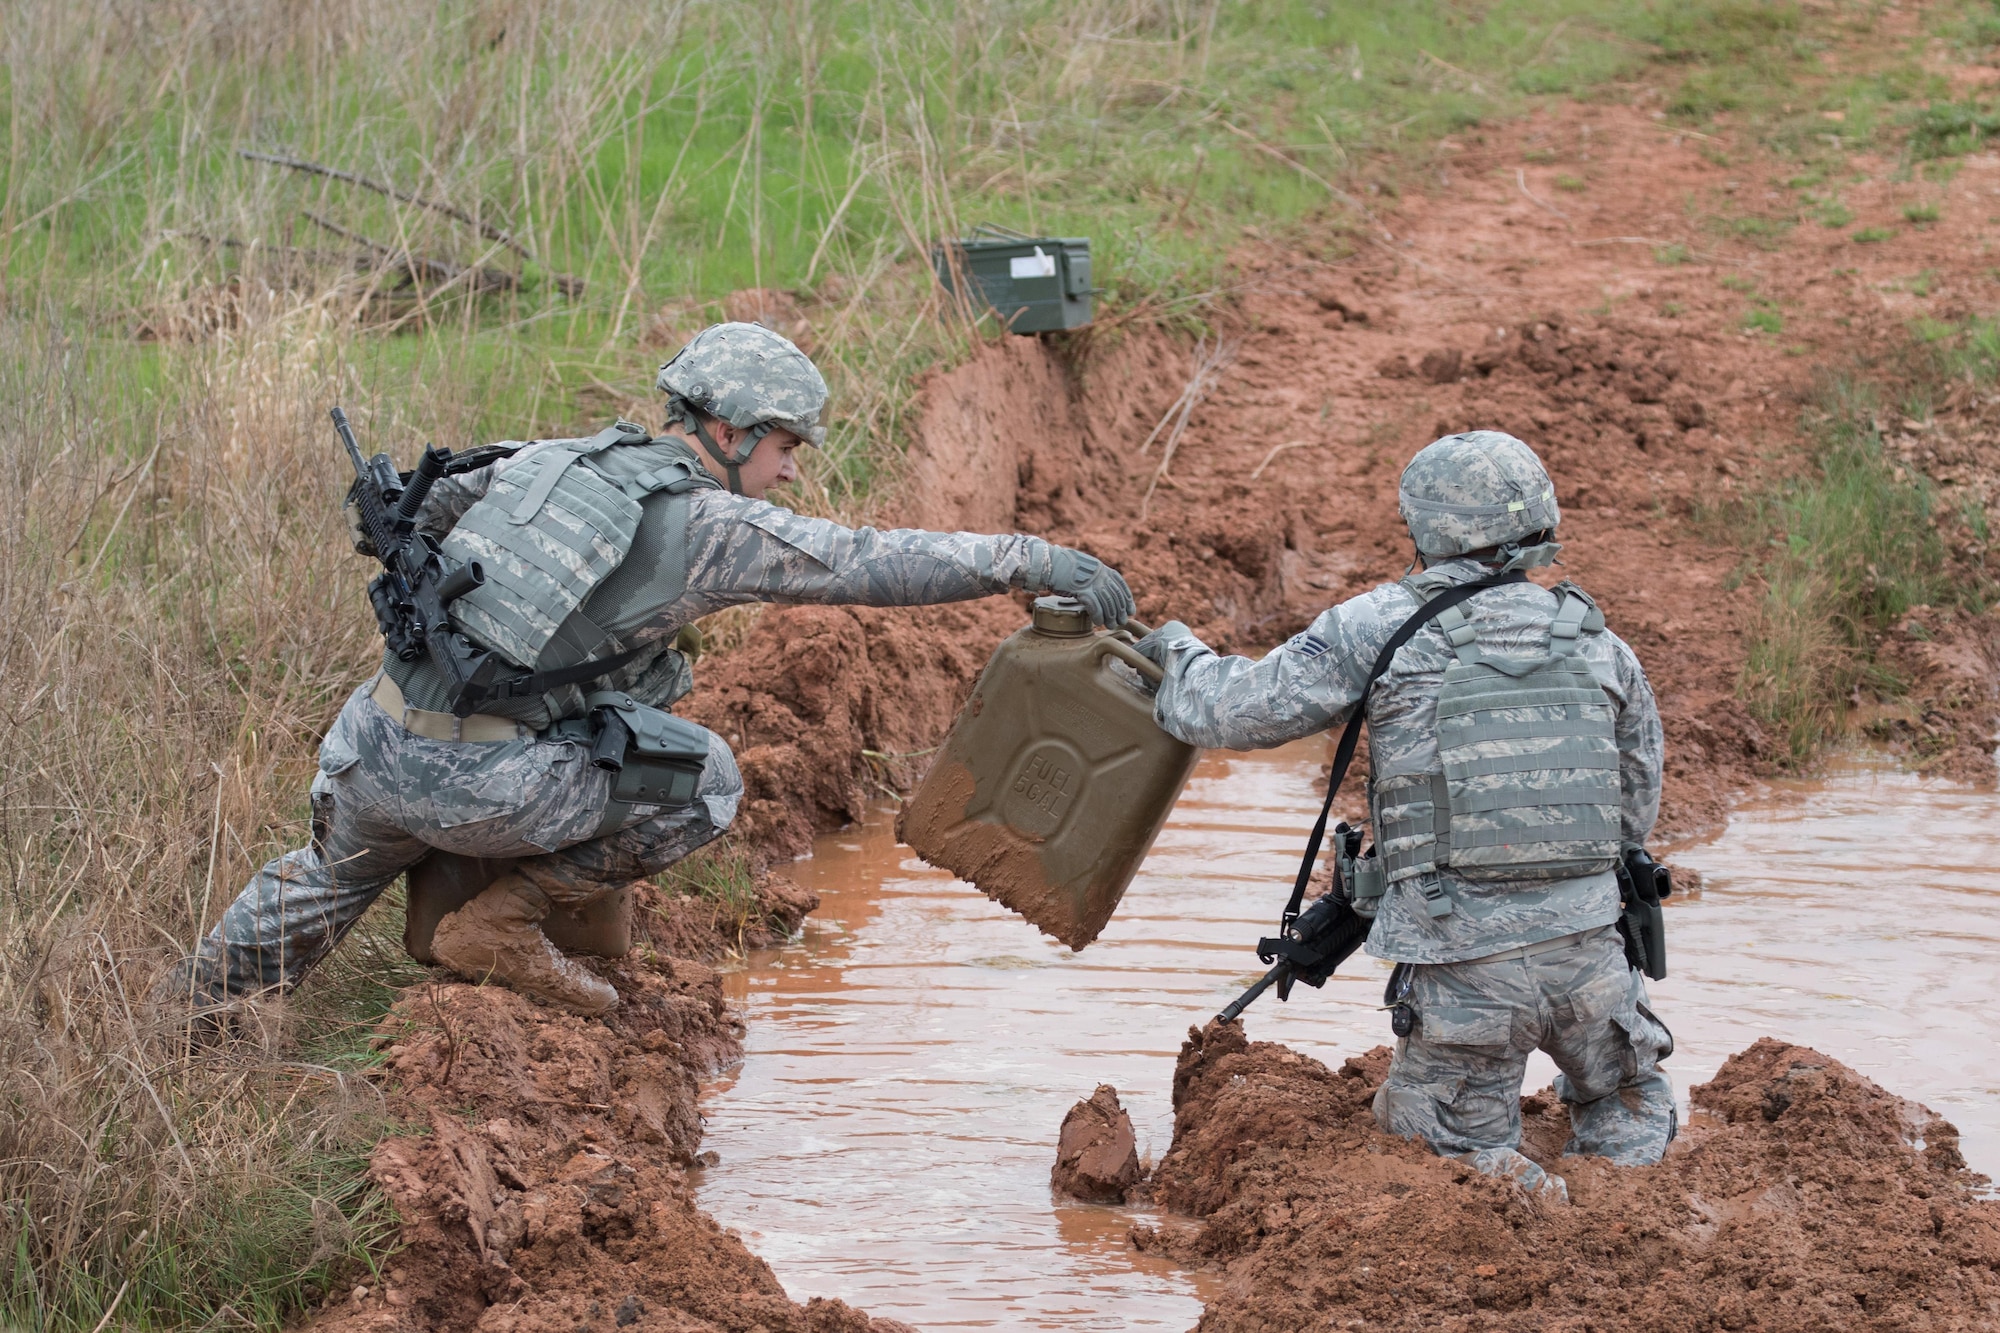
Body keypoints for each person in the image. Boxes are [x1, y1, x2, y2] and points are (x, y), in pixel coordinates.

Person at [166, 322, 1133, 1018]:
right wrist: (1030, 559)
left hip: (368, 749)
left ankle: (183, 1022)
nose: (792, 470)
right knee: (709, 779)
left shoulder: (550, 457)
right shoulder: (712, 527)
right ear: (737, 430)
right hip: (485, 790)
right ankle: (502, 920)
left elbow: (407, 520)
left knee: (319, 877)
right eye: (788, 445)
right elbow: (866, 561)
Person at [1134, 430, 1673, 1200]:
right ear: (1541, 518)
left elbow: (1231, 713)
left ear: (1424, 527)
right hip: (1595, 970)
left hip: (1467, 979)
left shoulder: (1378, 624)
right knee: (1631, 1105)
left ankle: (1521, 1206)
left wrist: (1174, 653)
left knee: (1441, 1160)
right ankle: (1625, 1207)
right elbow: (1634, 811)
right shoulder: (1599, 642)